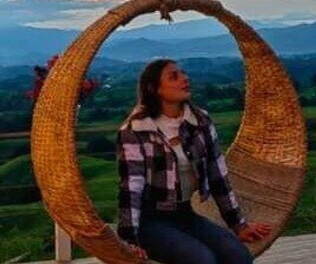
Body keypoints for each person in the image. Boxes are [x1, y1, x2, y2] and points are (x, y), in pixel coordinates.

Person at [116, 59, 271, 263]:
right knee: (202, 260)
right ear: (155, 89)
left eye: (183, 73)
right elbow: (131, 187)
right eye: (174, 76)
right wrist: (129, 240)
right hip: (150, 221)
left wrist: (239, 225)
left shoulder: (200, 121)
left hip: (186, 214)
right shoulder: (135, 130)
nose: (185, 78)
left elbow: (218, 177)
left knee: (238, 255)